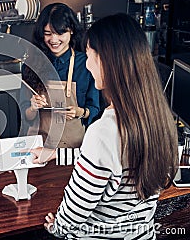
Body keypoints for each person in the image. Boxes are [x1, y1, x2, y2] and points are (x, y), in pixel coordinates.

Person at [31, 13, 178, 239]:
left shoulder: (103, 132)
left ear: (106, 61)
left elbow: (72, 217)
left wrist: (56, 227)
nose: (87, 64)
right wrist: (57, 156)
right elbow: (113, 161)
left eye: (90, 55)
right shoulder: (159, 119)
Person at [20, 3, 99, 148]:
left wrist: (79, 112)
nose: (54, 40)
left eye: (60, 33)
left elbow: (94, 110)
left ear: (72, 31)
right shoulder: (32, 65)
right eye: (48, 33)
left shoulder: (86, 64)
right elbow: (25, 116)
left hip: (75, 149)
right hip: (40, 148)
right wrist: (32, 107)